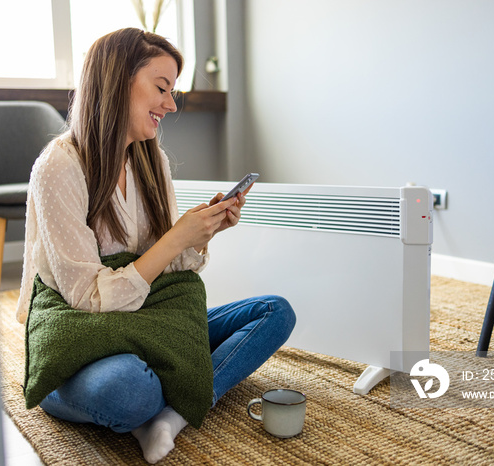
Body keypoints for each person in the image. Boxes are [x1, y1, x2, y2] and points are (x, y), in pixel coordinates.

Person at [15, 28, 296, 464]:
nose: (171, 104)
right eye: (162, 88)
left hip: (145, 320)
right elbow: (87, 297)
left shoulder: (151, 159)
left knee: (275, 312)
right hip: (79, 331)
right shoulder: (59, 166)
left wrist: (203, 232)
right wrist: (175, 239)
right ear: (116, 80)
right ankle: (168, 391)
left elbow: (171, 266)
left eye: (173, 91)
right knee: (130, 389)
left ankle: (173, 414)